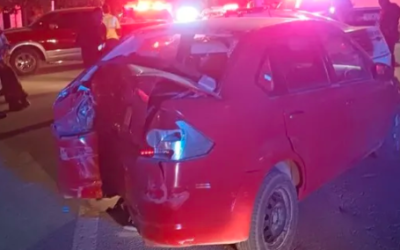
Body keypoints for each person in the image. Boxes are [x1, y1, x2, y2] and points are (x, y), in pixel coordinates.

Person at [0, 29, 29, 112]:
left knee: (10, 79)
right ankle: (15, 101)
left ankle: (19, 99)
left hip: (3, 60)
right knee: (9, 80)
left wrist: (6, 54)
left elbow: (6, 45)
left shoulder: (1, 34)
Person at [379, 0, 400, 67]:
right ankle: (391, 62)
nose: (380, 4)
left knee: (389, 49)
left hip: (389, 32)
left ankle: (390, 63)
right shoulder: (388, 8)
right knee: (389, 49)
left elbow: (389, 21)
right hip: (388, 32)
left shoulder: (390, 8)